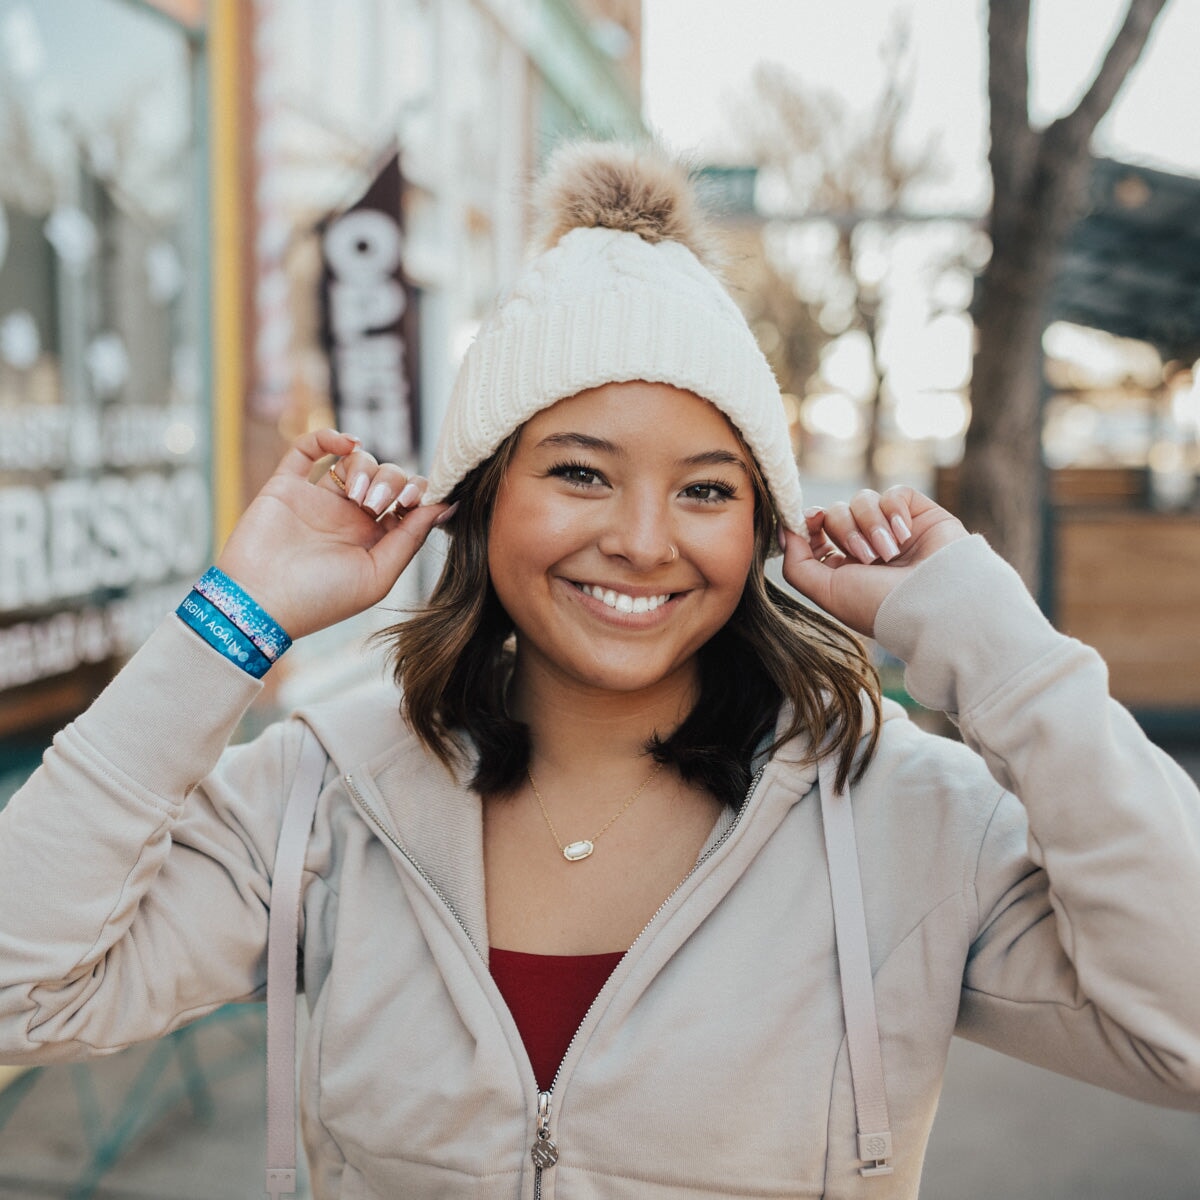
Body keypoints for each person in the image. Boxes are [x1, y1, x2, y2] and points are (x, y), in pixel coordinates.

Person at [1, 141, 1198, 1200]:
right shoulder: (324, 794)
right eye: (578, 471)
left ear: (762, 527)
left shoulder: (901, 812)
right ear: (480, 500)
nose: (641, 537)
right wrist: (235, 618)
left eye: (707, 489)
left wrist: (1004, 651)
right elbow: (22, 988)